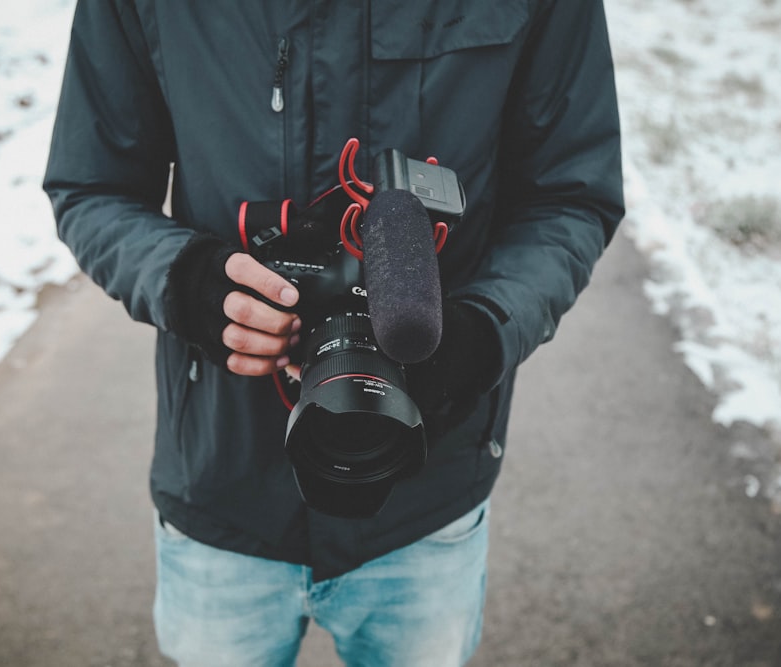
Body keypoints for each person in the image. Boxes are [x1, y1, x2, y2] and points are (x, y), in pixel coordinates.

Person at [43, 1, 623, 665]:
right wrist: (188, 282)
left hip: (426, 491)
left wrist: (483, 333)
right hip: (221, 478)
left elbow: (571, 194)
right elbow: (91, 184)